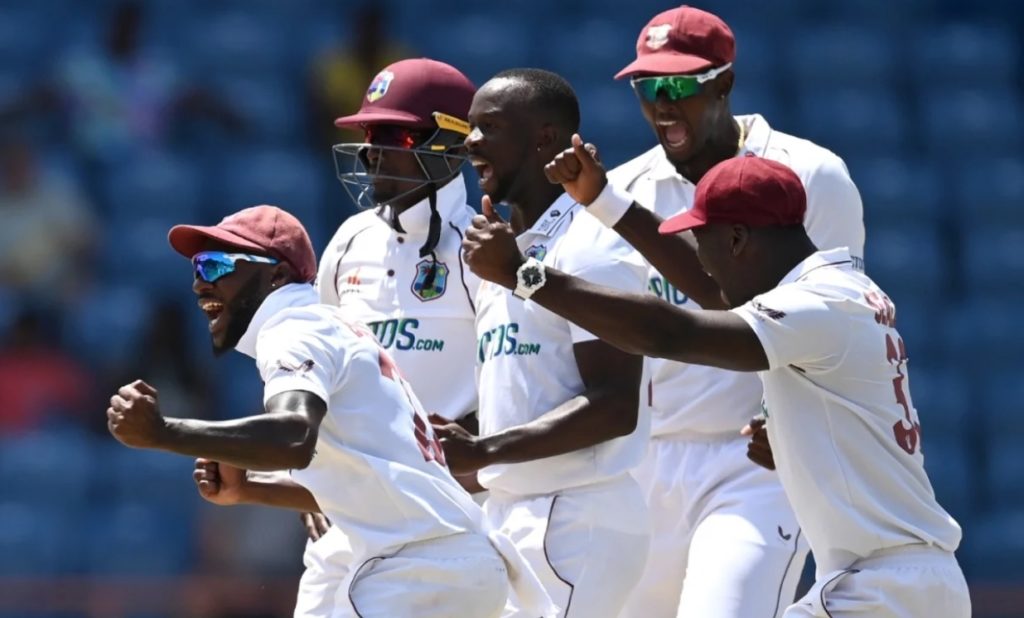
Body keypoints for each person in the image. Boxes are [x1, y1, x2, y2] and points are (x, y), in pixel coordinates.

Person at [462, 151, 970, 618]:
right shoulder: (840, 291)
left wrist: (524, 275)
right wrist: (799, 442)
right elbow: (708, 291)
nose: (701, 262)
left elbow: (671, 331)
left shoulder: (819, 304)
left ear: (737, 240)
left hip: (884, 587)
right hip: (900, 579)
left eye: (702, 241)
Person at [105, 205, 552, 618]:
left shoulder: (293, 329)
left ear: (277, 276)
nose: (200, 283)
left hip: (418, 569)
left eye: (217, 265)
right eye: (198, 267)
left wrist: (162, 432)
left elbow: (293, 438)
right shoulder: (329, 327)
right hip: (450, 565)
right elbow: (367, 484)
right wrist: (251, 489)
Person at [589, 6, 865, 617]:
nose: (662, 104)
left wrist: (789, 419)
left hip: (755, 466)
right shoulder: (623, 190)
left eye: (678, 86)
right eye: (647, 87)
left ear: (725, 84)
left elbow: (840, 320)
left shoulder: (811, 175)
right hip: (646, 464)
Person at [431, 68, 651, 617]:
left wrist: (483, 451)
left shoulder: (591, 247)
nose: (470, 142)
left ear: (545, 138)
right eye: (470, 128)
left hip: (576, 518)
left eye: (489, 127)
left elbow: (616, 406)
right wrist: (466, 439)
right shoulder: (496, 255)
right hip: (511, 513)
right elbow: (532, 394)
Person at [301, 56, 484, 617]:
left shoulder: (481, 248)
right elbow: (318, 369)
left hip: (452, 516)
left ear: (450, 146)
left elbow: (516, 376)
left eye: (392, 134)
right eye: (367, 135)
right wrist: (311, 481)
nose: (370, 151)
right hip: (350, 518)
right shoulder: (350, 240)